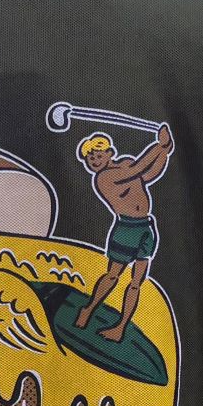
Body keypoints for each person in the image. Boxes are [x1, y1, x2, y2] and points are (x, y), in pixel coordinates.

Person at [73, 122, 173, 341]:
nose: (94, 161)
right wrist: (159, 145)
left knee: (137, 282)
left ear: (110, 153)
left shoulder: (125, 164)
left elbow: (149, 174)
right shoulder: (103, 178)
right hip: (126, 229)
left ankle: (120, 327)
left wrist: (165, 151)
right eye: (90, 159)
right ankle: (88, 310)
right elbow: (138, 169)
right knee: (113, 275)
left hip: (145, 228)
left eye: (98, 155)